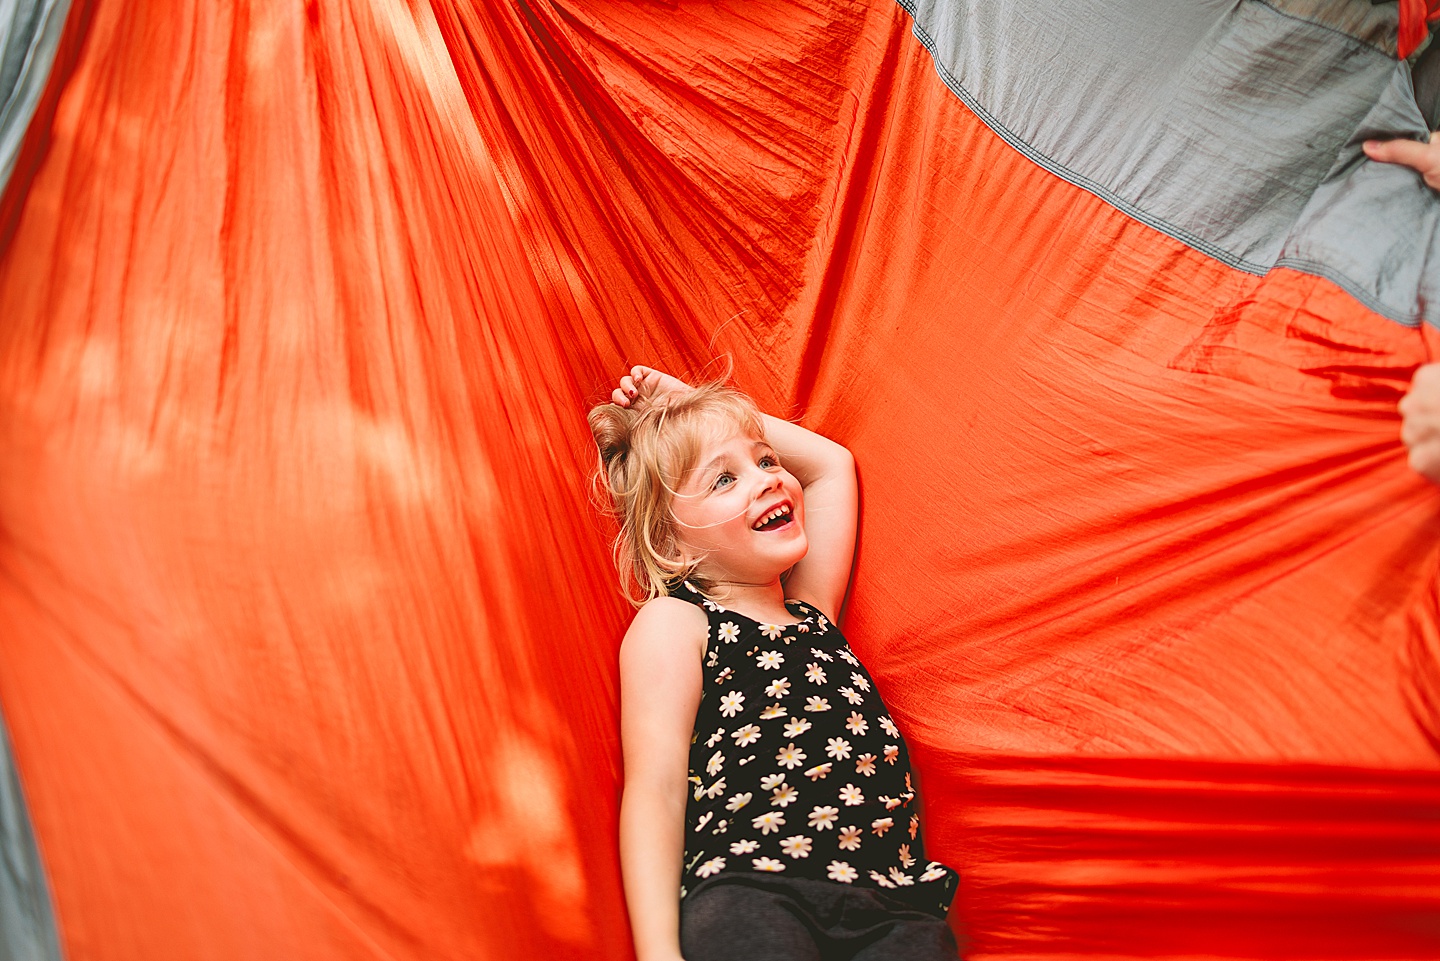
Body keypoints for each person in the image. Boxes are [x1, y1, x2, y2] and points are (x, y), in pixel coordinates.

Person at [589, 367, 960, 961]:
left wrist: (693, 403)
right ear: (673, 541)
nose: (768, 482)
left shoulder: (812, 615)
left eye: (766, 461)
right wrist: (659, 953)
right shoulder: (678, 623)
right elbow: (656, 789)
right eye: (724, 480)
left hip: (894, 906)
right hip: (755, 887)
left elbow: (831, 465)